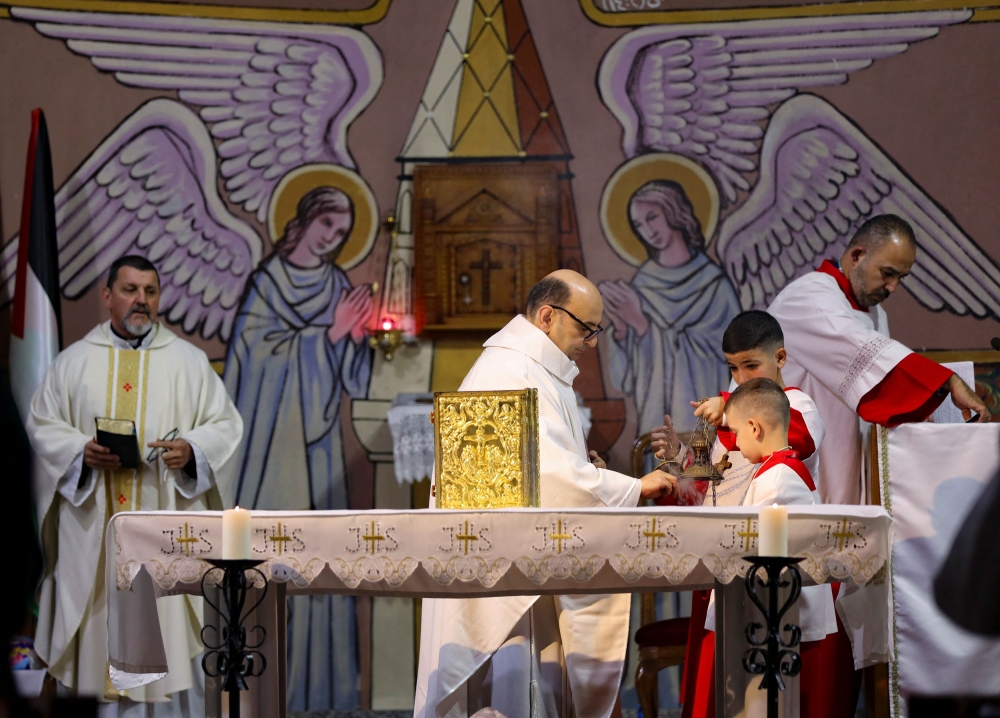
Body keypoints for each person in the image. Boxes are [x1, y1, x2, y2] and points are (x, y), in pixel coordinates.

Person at [414, 270, 678, 718]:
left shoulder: (529, 365)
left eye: (597, 331)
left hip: (517, 558)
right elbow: (549, 477)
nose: (592, 342)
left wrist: (585, 467)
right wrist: (635, 486)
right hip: (505, 573)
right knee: (513, 683)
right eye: (586, 329)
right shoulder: (511, 369)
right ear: (547, 316)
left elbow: (542, 463)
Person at [26, 255, 242, 714]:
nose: (140, 300)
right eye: (129, 289)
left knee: (165, 647)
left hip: (163, 537)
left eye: (150, 291)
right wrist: (79, 453)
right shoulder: (73, 362)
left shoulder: (188, 362)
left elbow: (225, 425)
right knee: (95, 646)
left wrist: (192, 452)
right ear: (107, 297)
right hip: (93, 539)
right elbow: (43, 426)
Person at [223, 186, 373, 710]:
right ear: (304, 221)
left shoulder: (335, 283)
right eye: (327, 227)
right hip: (270, 447)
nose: (333, 240)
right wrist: (329, 334)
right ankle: (257, 692)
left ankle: (318, 691)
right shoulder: (267, 283)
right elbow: (253, 359)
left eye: (342, 234)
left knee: (317, 560)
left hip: (319, 445)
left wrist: (356, 336)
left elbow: (353, 375)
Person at [648, 310, 830, 717]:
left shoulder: (797, 406)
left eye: (751, 365)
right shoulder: (721, 416)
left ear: (779, 359)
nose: (741, 376)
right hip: (724, 568)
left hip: (774, 578)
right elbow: (700, 488)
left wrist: (729, 405)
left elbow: (796, 438)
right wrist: (678, 456)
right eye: (733, 368)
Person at [767, 214, 988, 505]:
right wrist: (945, 379)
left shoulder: (875, 313)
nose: (893, 287)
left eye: (900, 277)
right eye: (888, 273)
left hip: (846, 462)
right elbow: (865, 354)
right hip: (798, 467)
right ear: (857, 255)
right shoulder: (808, 297)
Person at [716, 378, 842, 718]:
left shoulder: (779, 478)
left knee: (779, 704)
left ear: (754, 427)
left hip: (784, 613)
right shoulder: (775, 469)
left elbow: (768, 553)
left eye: (737, 433)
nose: (736, 444)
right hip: (779, 612)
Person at [599, 180, 741, 435]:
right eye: (639, 225)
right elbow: (626, 381)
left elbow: (727, 358)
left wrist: (642, 325)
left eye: (652, 217)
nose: (647, 230)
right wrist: (622, 330)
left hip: (701, 428)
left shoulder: (713, 284)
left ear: (674, 212)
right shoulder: (642, 284)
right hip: (656, 424)